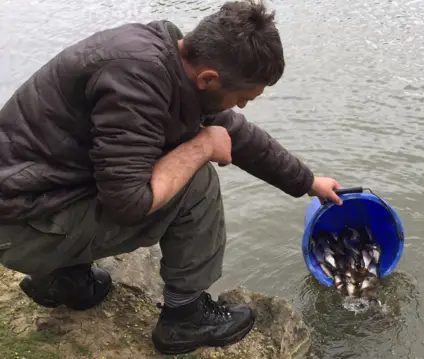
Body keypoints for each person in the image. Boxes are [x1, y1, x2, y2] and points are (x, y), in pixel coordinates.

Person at [0, 0, 343, 355]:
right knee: (196, 178)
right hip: (19, 226)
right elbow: (129, 204)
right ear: (209, 78)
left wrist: (308, 182)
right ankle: (185, 316)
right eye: (242, 97)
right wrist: (202, 148)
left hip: (32, 204)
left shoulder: (169, 63)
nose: (240, 106)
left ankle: (65, 279)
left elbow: (236, 134)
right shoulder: (136, 83)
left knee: (145, 158)